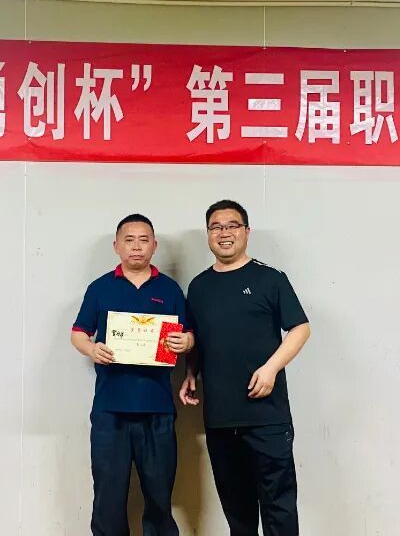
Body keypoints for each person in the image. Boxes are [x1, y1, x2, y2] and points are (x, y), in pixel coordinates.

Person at [180, 199, 311, 536]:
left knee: (279, 507)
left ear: (246, 232)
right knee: (237, 512)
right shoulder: (199, 286)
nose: (224, 233)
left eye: (232, 226)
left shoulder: (270, 278)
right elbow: (198, 338)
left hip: (267, 415)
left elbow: (300, 328)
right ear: (208, 234)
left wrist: (271, 369)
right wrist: (191, 373)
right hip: (221, 418)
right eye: (216, 227)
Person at [71, 213, 195, 536]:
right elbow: (79, 333)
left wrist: (186, 341)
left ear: (154, 246)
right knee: (108, 500)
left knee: (159, 499)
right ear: (116, 246)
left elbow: (189, 334)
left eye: (143, 240)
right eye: (129, 240)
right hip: (110, 410)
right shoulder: (100, 288)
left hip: (158, 408)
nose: (136, 247)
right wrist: (91, 349)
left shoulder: (170, 290)